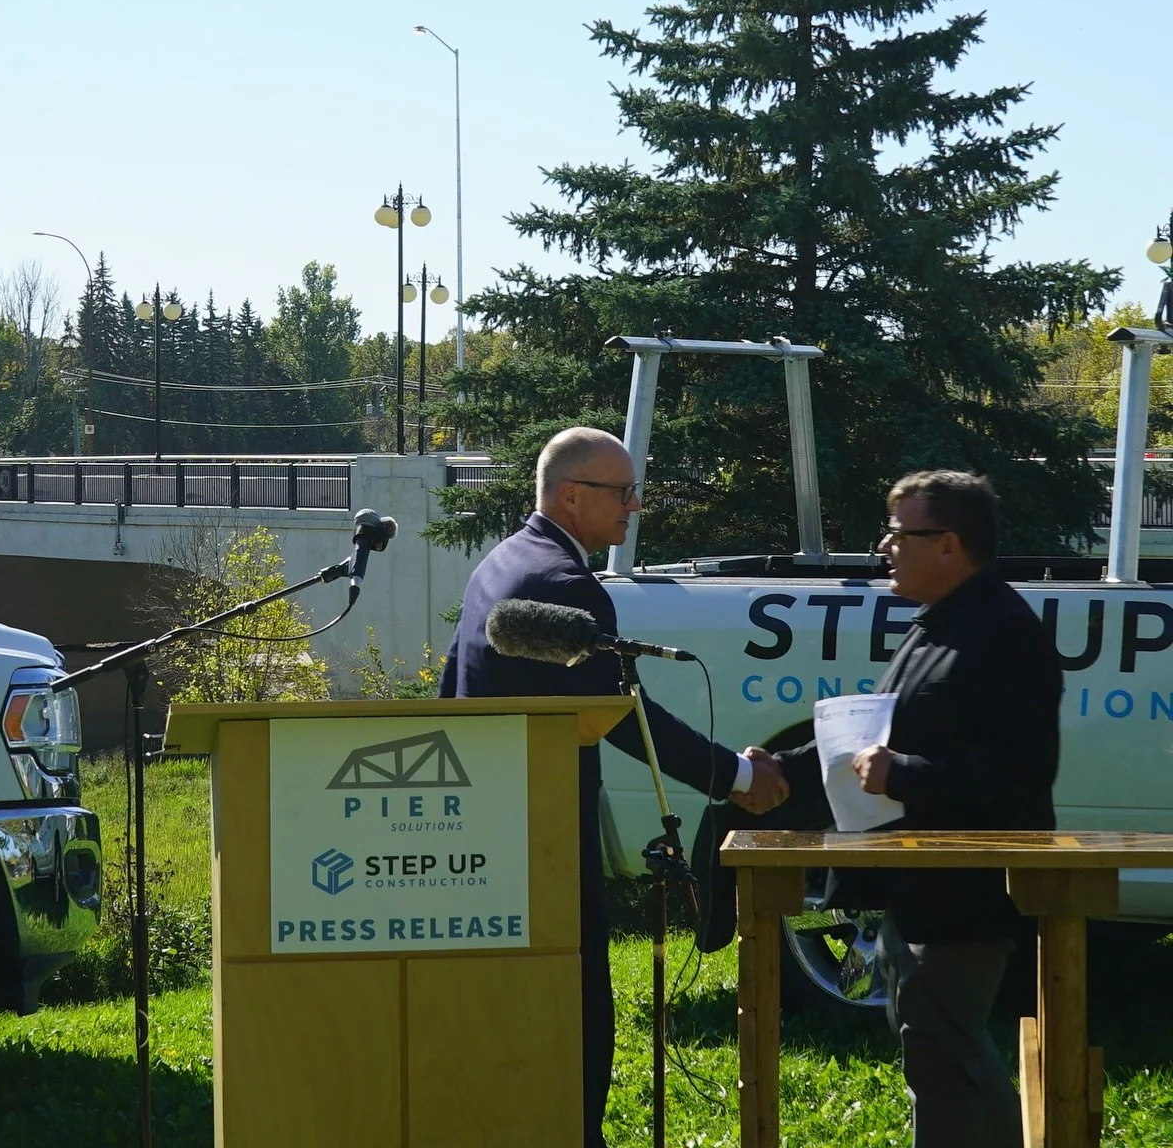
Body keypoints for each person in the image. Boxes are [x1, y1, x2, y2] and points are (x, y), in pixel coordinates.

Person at [439, 426, 787, 1148]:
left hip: (483, 826)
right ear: (571, 495)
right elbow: (626, 718)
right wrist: (741, 777)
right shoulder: (565, 587)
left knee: (513, 1008)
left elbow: (451, 690)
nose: (634, 508)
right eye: (623, 493)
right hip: (542, 835)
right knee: (574, 1009)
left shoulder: (501, 563)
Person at [776, 470, 1061, 1148]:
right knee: (938, 1046)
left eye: (900, 532)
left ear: (949, 544)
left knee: (940, 1049)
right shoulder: (939, 625)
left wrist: (901, 774)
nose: (884, 545)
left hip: (969, 890)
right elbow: (886, 735)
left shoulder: (1003, 633)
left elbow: (1019, 780)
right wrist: (774, 773)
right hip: (919, 887)